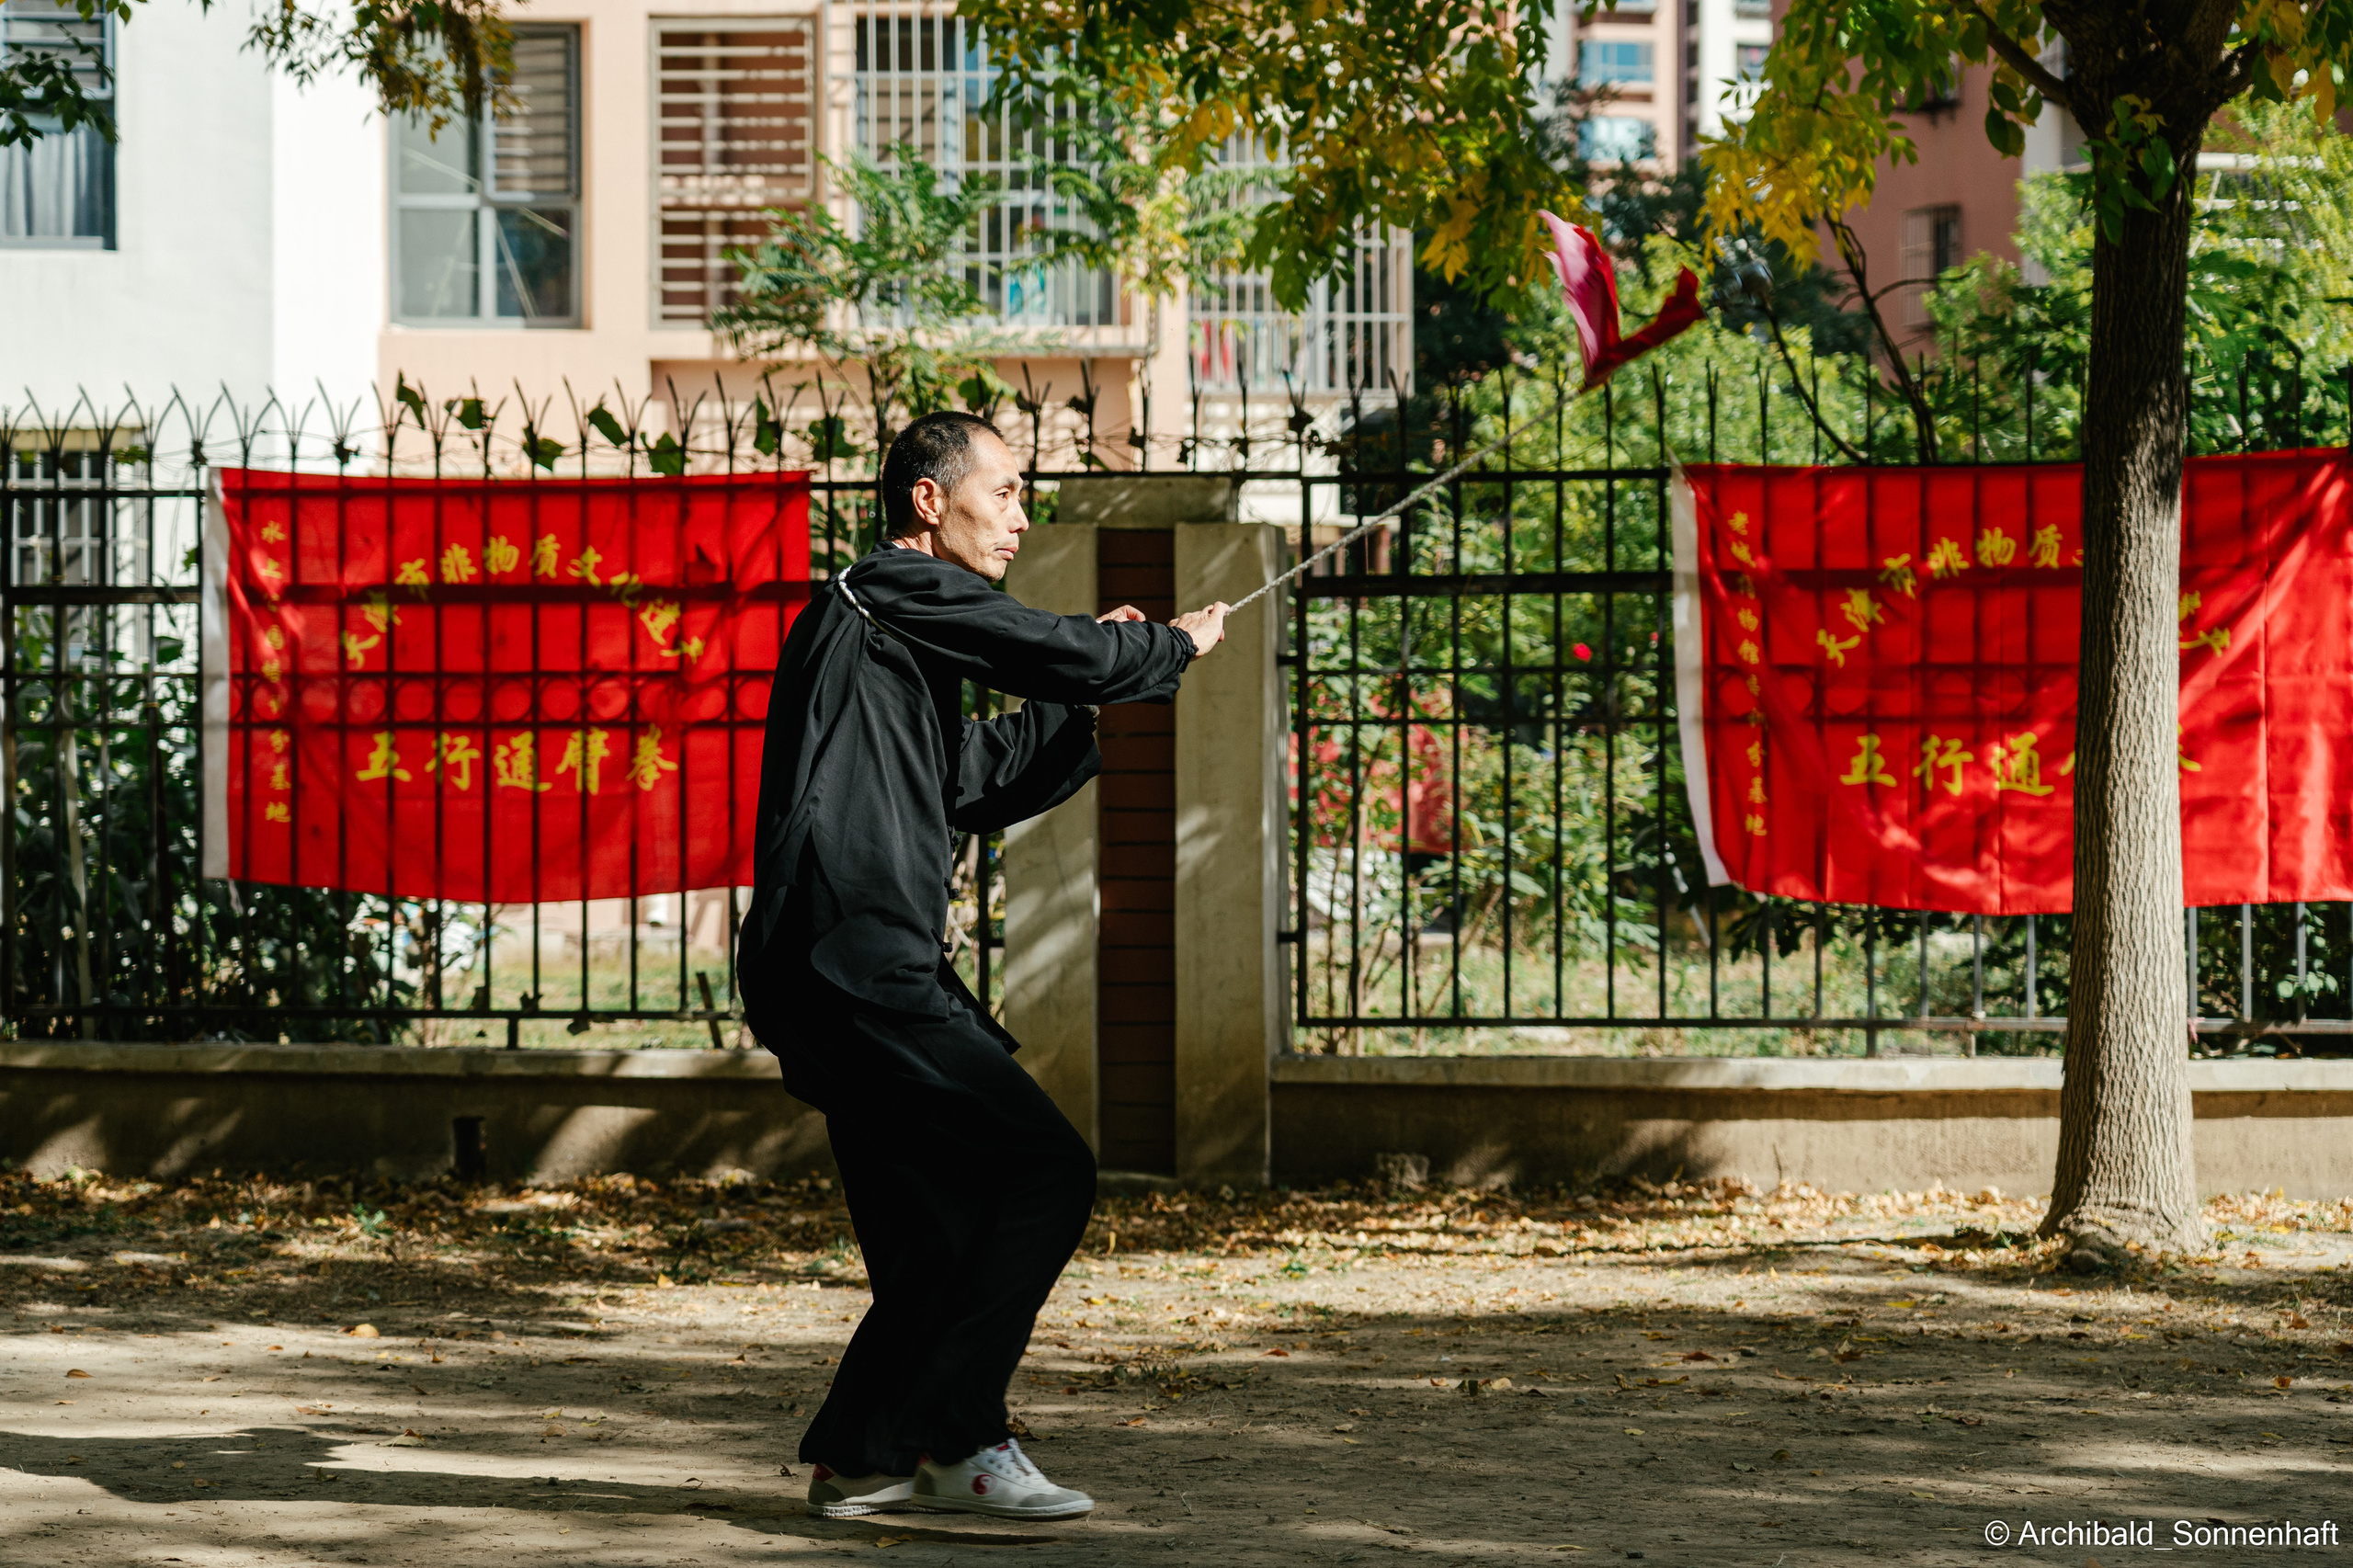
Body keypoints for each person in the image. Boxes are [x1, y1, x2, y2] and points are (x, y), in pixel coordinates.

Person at [738, 410, 1230, 1521]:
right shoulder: (881, 589)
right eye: (1003, 493)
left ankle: (886, 1453)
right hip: (852, 963)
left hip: (845, 968)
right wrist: (1165, 648)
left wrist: (1088, 683)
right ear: (928, 499)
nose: (1019, 518)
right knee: (1043, 1170)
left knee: (939, 1226)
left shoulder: (892, 639)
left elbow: (971, 775)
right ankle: (950, 1436)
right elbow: (1051, 642)